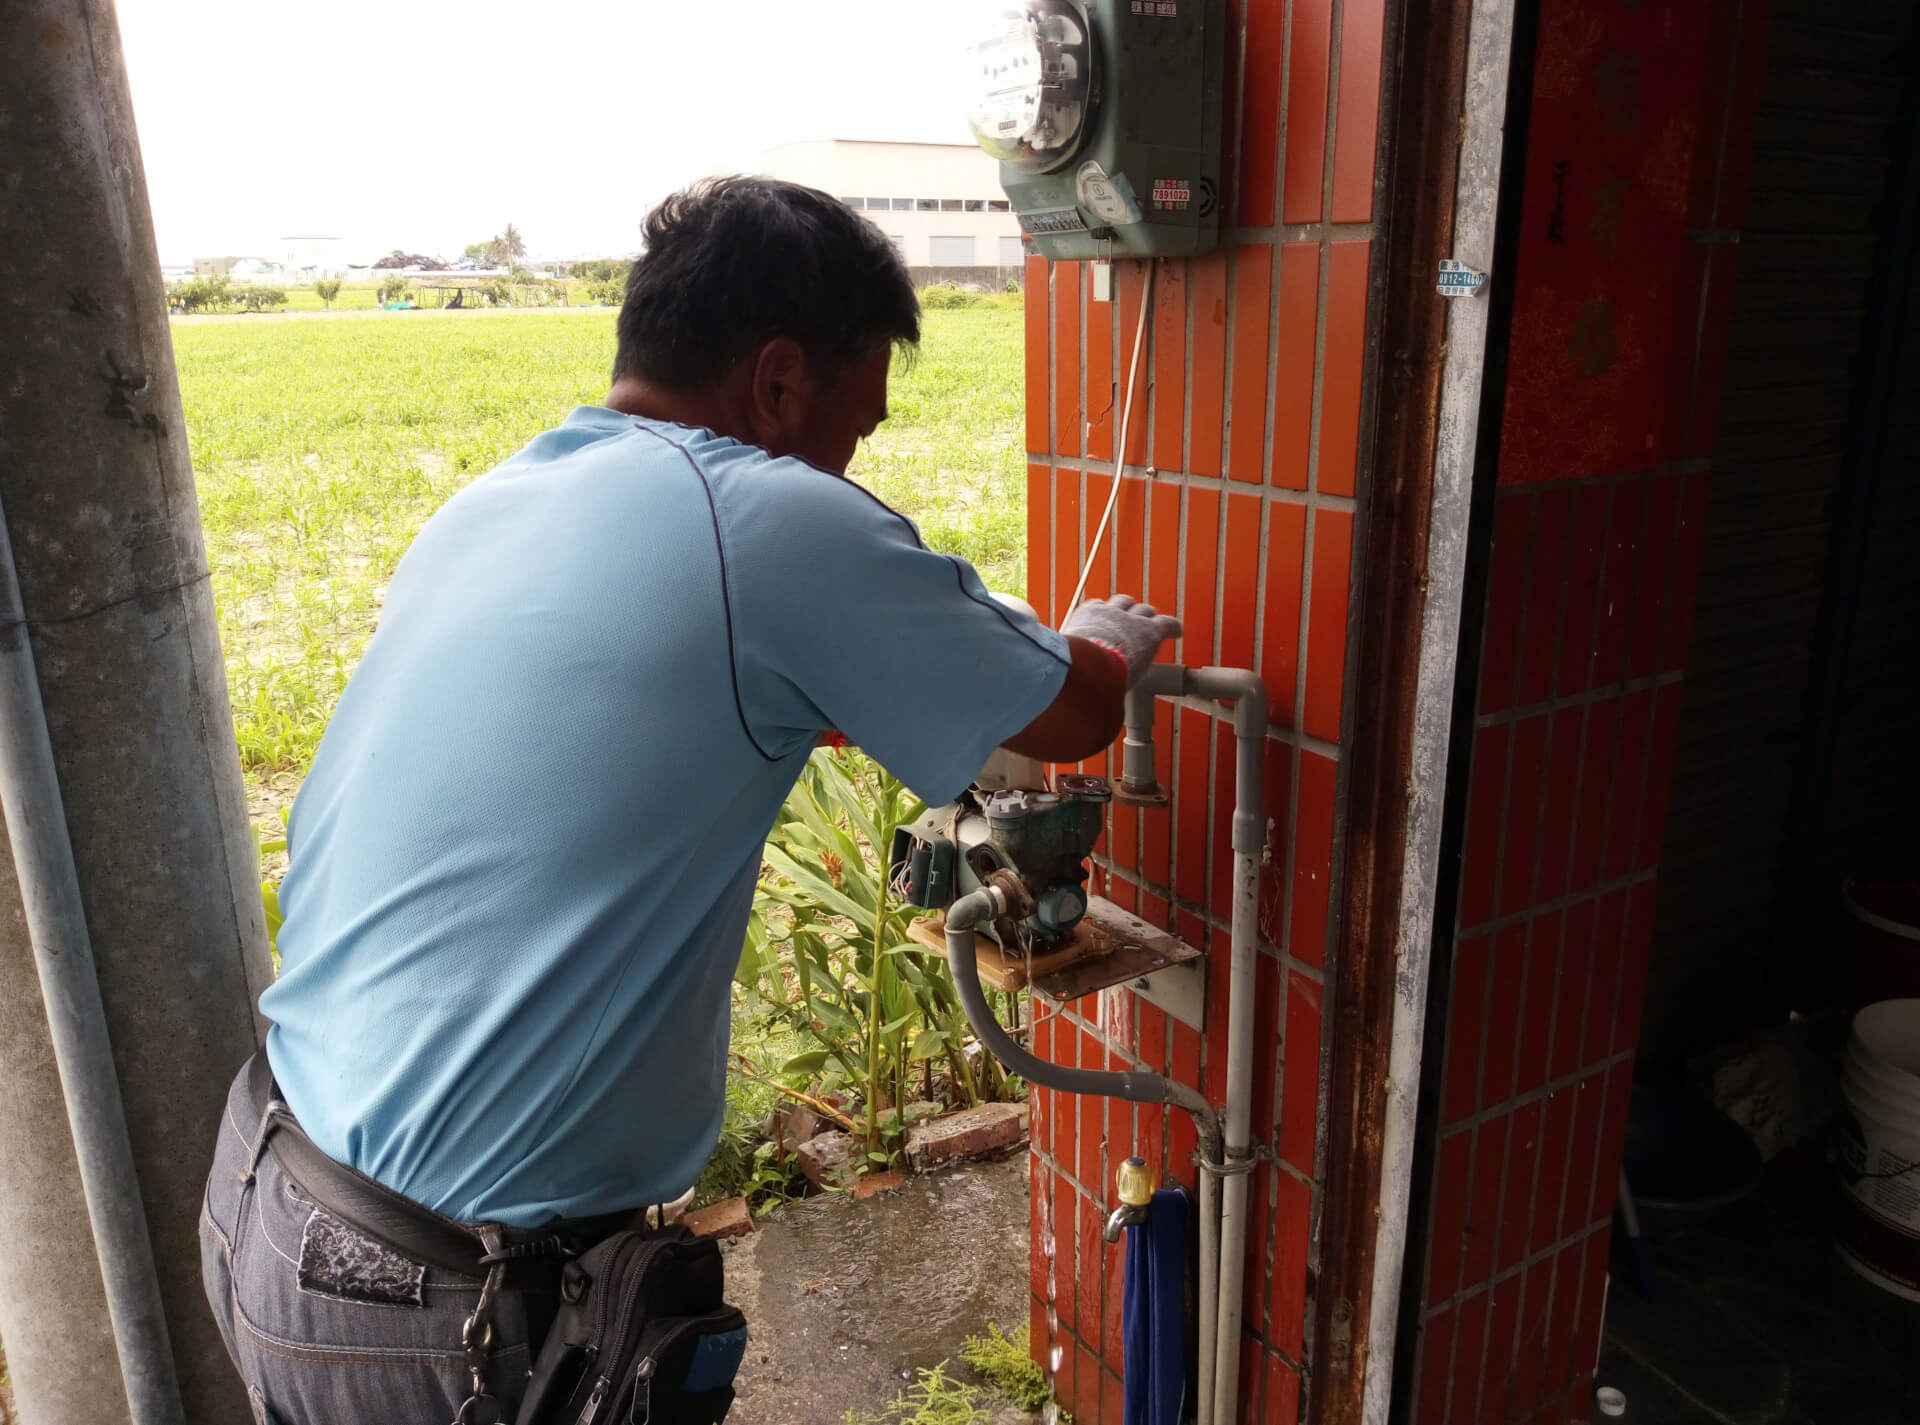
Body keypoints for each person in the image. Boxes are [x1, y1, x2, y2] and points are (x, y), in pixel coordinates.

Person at [199, 176, 1181, 1424]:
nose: (851, 458)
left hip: (270, 1196)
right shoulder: (762, 517)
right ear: (778, 382)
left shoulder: (494, 501)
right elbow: (1075, 711)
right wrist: (1101, 636)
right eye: (856, 423)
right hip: (442, 1309)